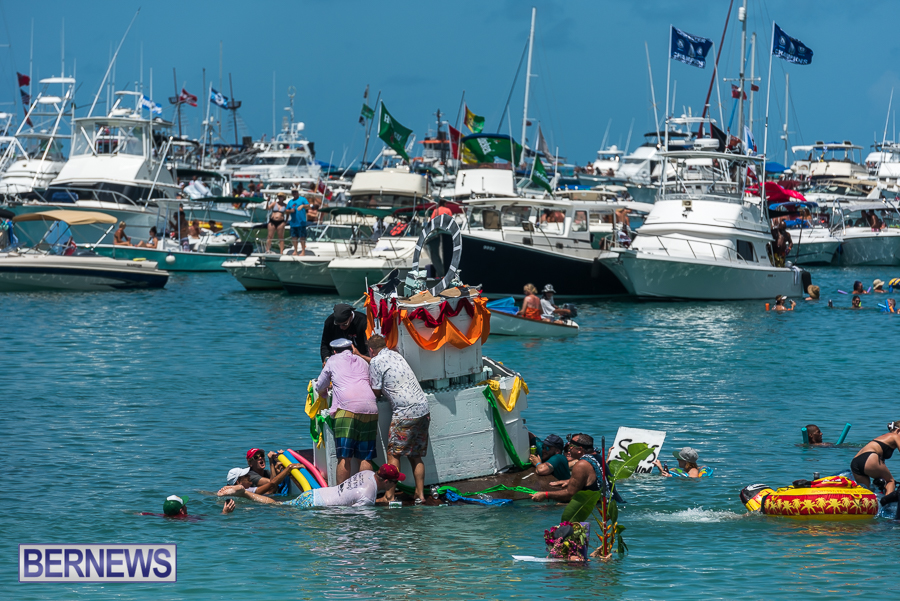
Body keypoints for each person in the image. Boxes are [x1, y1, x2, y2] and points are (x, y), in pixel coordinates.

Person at [359, 334, 431, 503]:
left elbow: (376, 391)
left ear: (371, 350)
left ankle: (389, 496)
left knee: (394, 455)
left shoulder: (376, 362)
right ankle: (420, 495)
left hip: (405, 413)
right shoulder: (395, 355)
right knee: (415, 455)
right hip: (423, 409)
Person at [317, 338, 378, 484]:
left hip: (347, 408)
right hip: (370, 407)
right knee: (365, 457)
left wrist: (325, 391)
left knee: (344, 457)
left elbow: (320, 385)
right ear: (351, 348)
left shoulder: (332, 360)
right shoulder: (362, 360)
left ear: (334, 351)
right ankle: (365, 491)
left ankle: (341, 493)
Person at [228, 464, 405, 508]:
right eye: (395, 482)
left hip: (315, 493)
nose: (395, 484)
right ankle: (244, 494)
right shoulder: (368, 495)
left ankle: (245, 494)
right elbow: (355, 518)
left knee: (278, 504)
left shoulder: (367, 473)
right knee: (276, 506)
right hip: (314, 505)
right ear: (387, 482)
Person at [530, 433, 603, 503]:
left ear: (580, 450)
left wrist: (545, 495)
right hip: (604, 500)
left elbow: (570, 494)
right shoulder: (597, 457)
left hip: (596, 505)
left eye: (571, 446)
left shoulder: (581, 464)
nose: (569, 449)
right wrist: (570, 481)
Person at [851, 421, 900, 494]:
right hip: (870, 458)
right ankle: (887, 501)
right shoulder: (895, 436)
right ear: (898, 430)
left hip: (855, 462)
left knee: (865, 493)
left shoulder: (884, 437)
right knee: (890, 481)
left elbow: (880, 461)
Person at [152, 495, 234, 517]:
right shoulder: (189, 518)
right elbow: (214, 520)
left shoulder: (160, 516)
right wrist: (224, 513)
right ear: (181, 511)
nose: (186, 507)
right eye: (184, 505)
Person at [285, 188, 310, 256]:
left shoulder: (302, 199)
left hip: (301, 222)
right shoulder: (290, 201)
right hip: (293, 223)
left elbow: (308, 206)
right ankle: (295, 251)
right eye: (293, 192)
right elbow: (286, 211)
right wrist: (290, 211)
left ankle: (303, 251)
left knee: (302, 237)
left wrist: (303, 206)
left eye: (295, 192)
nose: (294, 193)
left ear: (298, 192)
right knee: (294, 237)